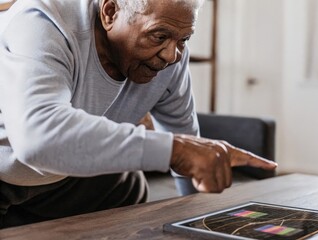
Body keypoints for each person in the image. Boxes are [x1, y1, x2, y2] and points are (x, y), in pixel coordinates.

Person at [0, 0, 277, 228]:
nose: (172, 55)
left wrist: (199, 224)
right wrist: (176, 151)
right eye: (159, 36)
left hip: (59, 178)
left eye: (184, 39)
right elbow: (37, 138)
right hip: (4, 171)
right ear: (110, 12)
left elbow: (185, 143)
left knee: (128, 185)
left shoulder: (173, 54)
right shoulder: (41, 21)